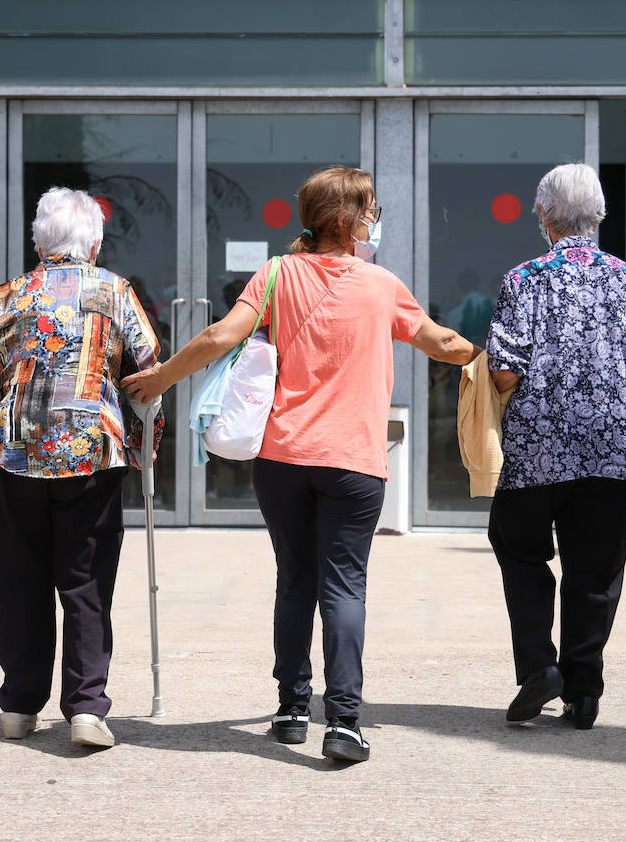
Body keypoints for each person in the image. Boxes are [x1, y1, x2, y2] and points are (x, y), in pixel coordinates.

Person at [124, 166, 476, 764]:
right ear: (344, 221)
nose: (374, 221)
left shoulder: (275, 274)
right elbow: (443, 344)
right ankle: (342, 723)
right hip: (353, 462)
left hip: (283, 459)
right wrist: (492, 361)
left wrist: (159, 378)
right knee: (343, 586)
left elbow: (219, 336)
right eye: (369, 211)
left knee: (295, 581)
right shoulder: (381, 284)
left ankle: (291, 710)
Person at [0, 188, 162, 750]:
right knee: (85, 582)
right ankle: (87, 708)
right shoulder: (115, 292)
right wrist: (143, 445)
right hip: (90, 452)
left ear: (39, 241)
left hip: (10, 454)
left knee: (18, 582)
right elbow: (148, 377)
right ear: (95, 241)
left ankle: (19, 706)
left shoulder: (9, 295)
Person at [485, 163, 626, 731]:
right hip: (613, 454)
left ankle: (540, 668)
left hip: (533, 455)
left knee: (520, 552)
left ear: (545, 216)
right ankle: (584, 692)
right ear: (599, 215)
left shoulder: (524, 279)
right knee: (595, 573)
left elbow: (504, 372)